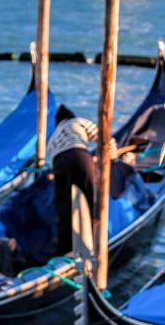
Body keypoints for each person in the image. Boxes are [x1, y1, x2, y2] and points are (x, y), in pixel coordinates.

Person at [48, 109, 113, 255]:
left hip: (59, 165)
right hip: (80, 157)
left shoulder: (52, 138)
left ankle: (64, 252)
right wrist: (113, 158)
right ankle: (95, 242)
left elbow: (59, 161)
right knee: (93, 201)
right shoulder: (76, 122)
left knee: (64, 210)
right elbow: (104, 138)